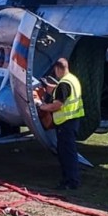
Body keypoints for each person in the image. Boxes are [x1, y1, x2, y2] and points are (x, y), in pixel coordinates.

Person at [35, 57, 85, 189]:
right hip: (73, 120)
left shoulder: (64, 84)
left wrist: (41, 106)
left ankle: (71, 181)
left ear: (58, 69)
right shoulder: (73, 79)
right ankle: (69, 179)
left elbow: (57, 105)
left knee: (66, 153)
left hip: (65, 122)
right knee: (69, 151)